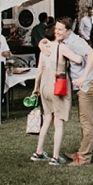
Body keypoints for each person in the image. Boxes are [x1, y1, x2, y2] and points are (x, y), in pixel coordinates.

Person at [30, 17, 85, 166]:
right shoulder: (61, 48)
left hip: (44, 86)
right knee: (59, 122)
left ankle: (39, 152)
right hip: (58, 85)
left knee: (47, 119)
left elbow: (39, 71)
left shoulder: (45, 48)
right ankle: (55, 156)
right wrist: (82, 53)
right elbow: (78, 60)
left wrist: (35, 88)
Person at [56, 16, 93, 166]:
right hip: (83, 85)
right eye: (56, 29)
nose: (57, 31)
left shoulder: (74, 41)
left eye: (60, 29)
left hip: (89, 84)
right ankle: (81, 151)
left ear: (68, 30)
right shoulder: (65, 41)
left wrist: (83, 77)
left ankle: (84, 157)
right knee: (82, 120)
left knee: (86, 122)